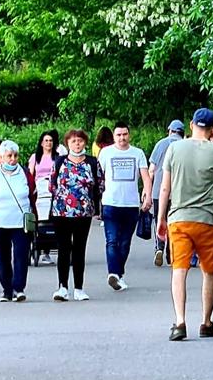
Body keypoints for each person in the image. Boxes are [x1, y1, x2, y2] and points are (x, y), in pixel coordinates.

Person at [156, 108, 213, 341]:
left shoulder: (174, 148)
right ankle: (206, 322)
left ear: (191, 125)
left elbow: (165, 188)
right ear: (212, 129)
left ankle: (180, 322)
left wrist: (161, 217)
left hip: (179, 219)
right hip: (207, 220)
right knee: (209, 271)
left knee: (179, 270)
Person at [49, 129, 104, 301]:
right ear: (67, 143)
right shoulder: (60, 162)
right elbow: (52, 184)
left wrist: (91, 202)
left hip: (83, 212)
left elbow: (100, 184)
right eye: (73, 141)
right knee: (63, 249)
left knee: (79, 249)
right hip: (61, 212)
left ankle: (79, 288)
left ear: (85, 143)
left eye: (80, 141)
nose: (77, 144)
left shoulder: (92, 162)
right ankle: (62, 287)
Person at [98, 122, 153, 291]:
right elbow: (99, 178)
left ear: (129, 135)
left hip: (130, 204)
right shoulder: (106, 153)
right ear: (113, 137)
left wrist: (148, 196)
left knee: (124, 243)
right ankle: (113, 273)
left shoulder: (137, 153)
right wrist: (96, 200)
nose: (122, 138)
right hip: (110, 203)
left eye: (124, 134)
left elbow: (146, 177)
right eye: (118, 135)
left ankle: (118, 274)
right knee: (112, 241)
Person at [0, 140, 37, 302]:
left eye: (15, 155)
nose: (13, 159)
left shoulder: (25, 173)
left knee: (21, 255)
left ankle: (18, 288)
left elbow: (33, 195)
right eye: (9, 156)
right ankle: (7, 289)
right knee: (3, 256)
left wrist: (33, 215)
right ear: (1, 157)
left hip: (20, 222)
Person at [148, 120, 185, 267]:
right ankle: (172, 254)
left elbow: (151, 169)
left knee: (159, 220)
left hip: (159, 190)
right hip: (179, 192)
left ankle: (159, 248)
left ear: (170, 130)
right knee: (175, 223)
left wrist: (147, 191)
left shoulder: (161, 144)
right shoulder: (186, 145)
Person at [28, 131, 58, 265]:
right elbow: (31, 175)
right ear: (41, 143)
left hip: (53, 189)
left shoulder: (58, 157)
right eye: (46, 141)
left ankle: (49, 248)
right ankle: (39, 243)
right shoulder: (35, 158)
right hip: (39, 189)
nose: (48, 143)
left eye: (50, 140)